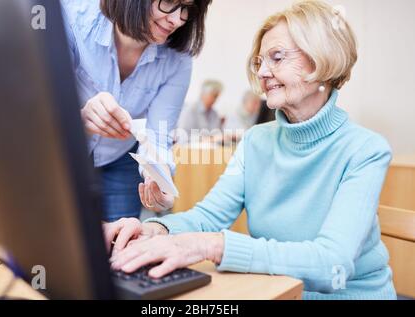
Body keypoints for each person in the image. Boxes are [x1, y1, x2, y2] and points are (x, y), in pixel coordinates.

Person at [103, 0, 397, 300]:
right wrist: (154, 229)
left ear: (322, 59)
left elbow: (332, 263)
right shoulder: (255, 141)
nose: (263, 72)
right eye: (260, 61)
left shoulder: (365, 150)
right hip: (278, 292)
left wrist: (211, 245)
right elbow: (207, 217)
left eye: (277, 58)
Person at [60, 0, 212, 221]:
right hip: (64, 149)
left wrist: (159, 178)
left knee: (119, 243)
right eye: (169, 1)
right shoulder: (75, 17)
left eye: (187, 8)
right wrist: (78, 118)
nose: (177, 19)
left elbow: (157, 135)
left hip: (121, 157)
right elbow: (42, 104)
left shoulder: (179, 59)